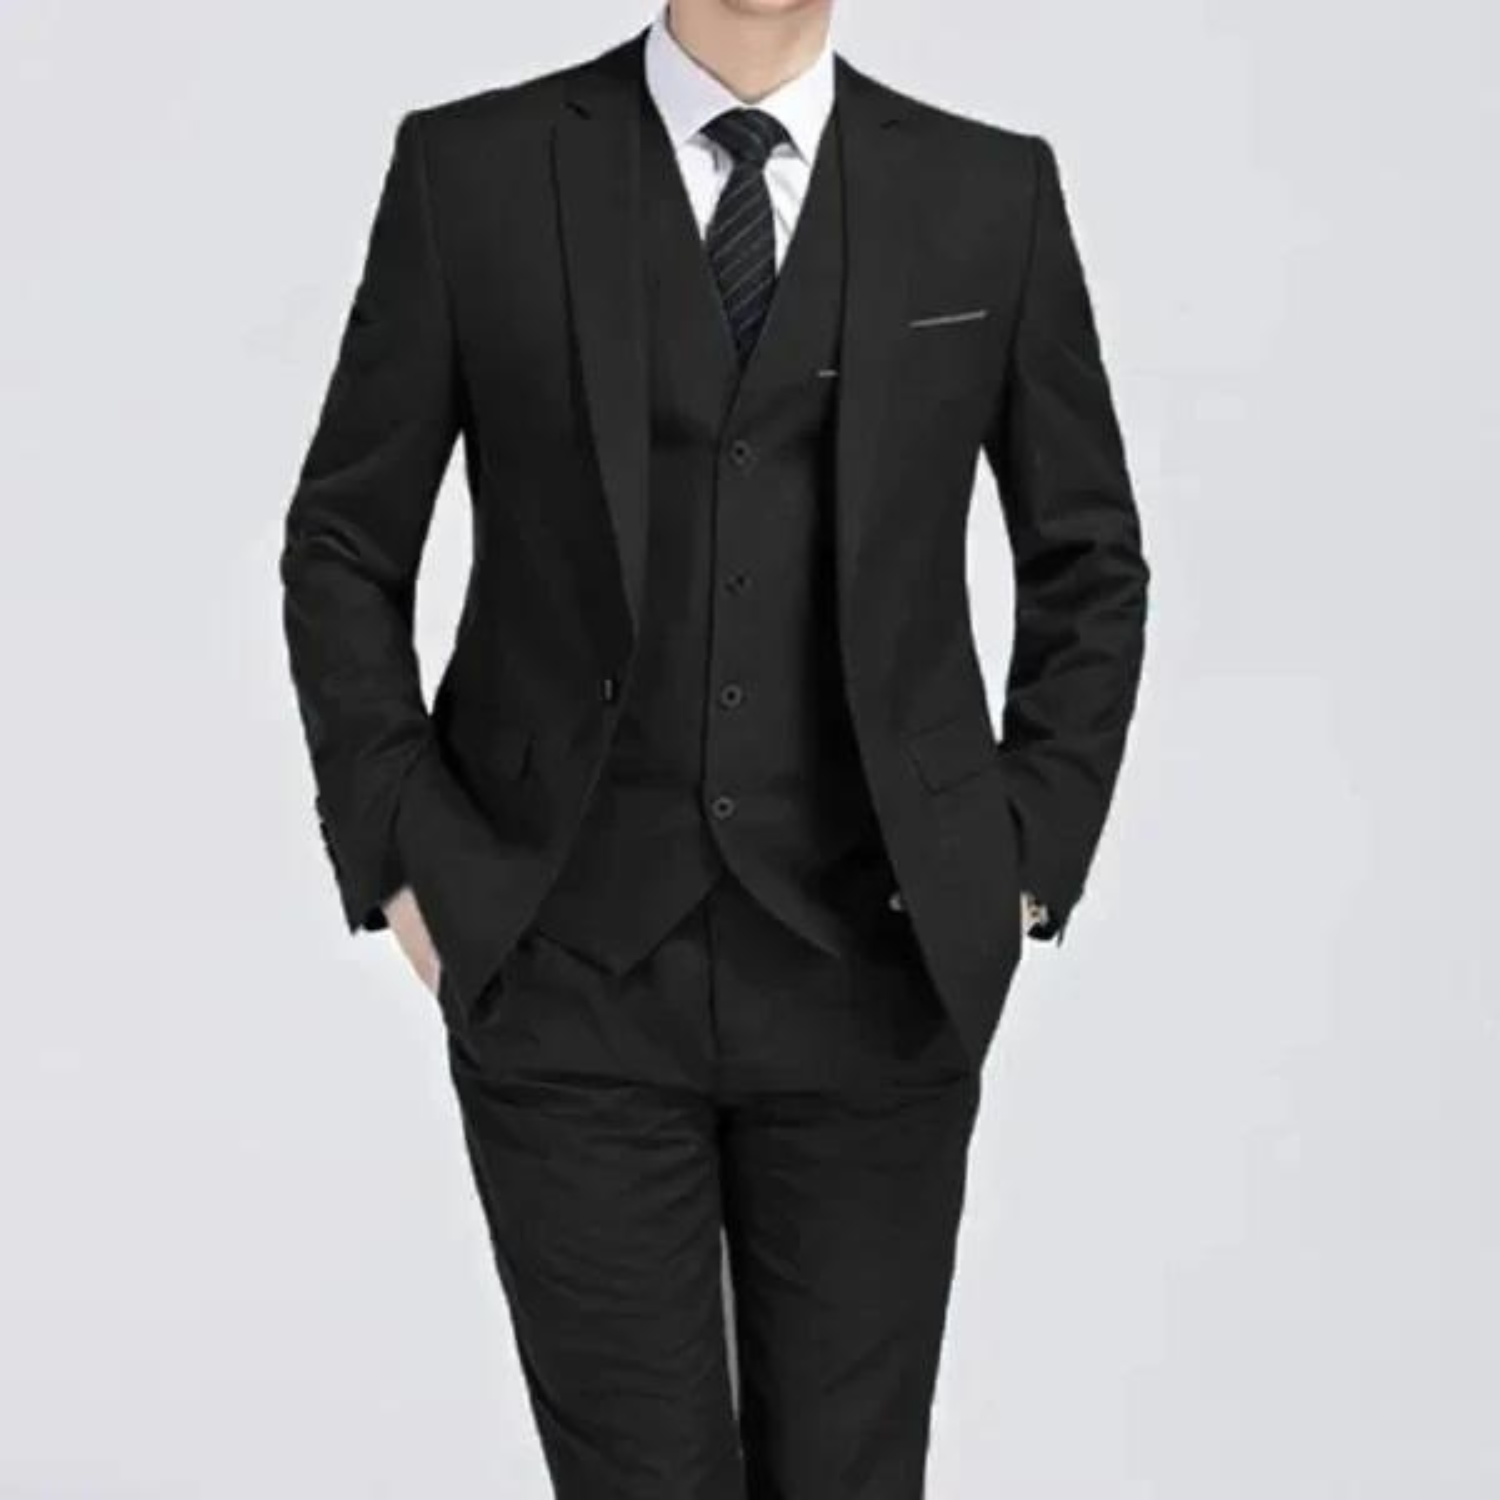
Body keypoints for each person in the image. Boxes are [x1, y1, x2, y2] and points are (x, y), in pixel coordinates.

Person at [279, 1, 1148, 1493]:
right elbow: (344, 546)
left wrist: (1015, 865)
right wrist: (412, 864)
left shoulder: (988, 191)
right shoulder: (473, 172)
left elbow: (1088, 562)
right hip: (565, 965)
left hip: (879, 969)